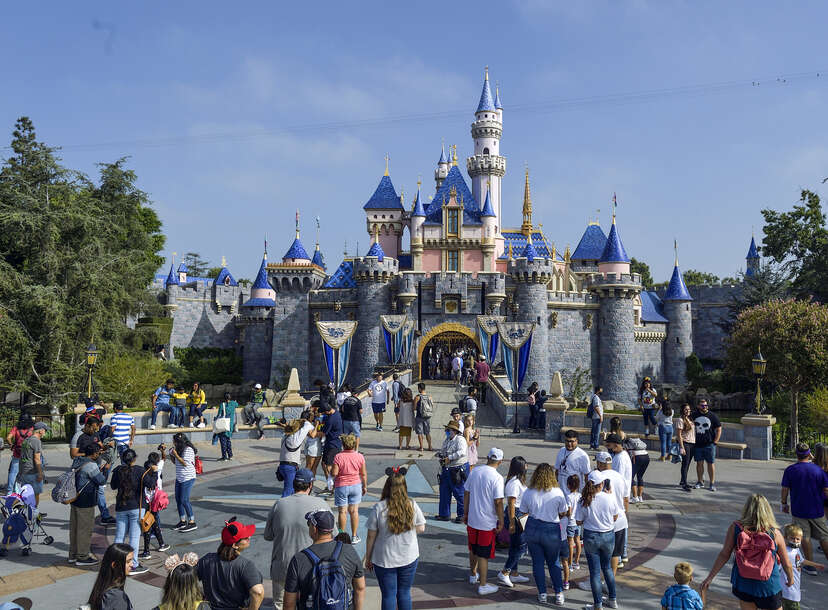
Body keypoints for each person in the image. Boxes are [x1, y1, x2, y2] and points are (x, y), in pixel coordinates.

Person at [700, 494, 793, 610]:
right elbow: (786, 563)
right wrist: (791, 579)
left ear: (747, 509)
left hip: (743, 583)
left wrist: (710, 577)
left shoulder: (735, 528)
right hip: (768, 586)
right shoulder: (775, 534)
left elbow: (724, 554)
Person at [264, 468, 328, 610]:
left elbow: (268, 536)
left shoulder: (279, 504)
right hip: (311, 569)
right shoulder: (321, 504)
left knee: (281, 605)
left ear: (293, 484)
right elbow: (331, 536)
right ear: (310, 485)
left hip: (282, 566)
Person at [365, 467, 426, 610]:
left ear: (387, 487)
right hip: (408, 556)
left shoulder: (379, 508)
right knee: (404, 593)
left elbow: (371, 536)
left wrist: (368, 558)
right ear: (404, 487)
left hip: (384, 559)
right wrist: (408, 531)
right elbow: (421, 527)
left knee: (388, 595)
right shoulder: (412, 504)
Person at [283, 510, 366, 610]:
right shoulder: (349, 550)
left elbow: (289, 603)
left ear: (314, 528)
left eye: (309, 524)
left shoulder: (299, 559)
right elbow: (360, 588)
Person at [520, 463, 569, 605]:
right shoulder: (557, 492)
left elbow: (523, 512)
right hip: (551, 527)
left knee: (538, 563)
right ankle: (559, 592)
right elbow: (563, 512)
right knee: (554, 562)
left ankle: (542, 593)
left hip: (533, 526)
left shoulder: (529, 492)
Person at [575, 470, 621, 610]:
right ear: (601, 484)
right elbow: (615, 517)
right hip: (608, 535)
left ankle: (598, 605)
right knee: (607, 568)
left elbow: (578, 521)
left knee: (594, 572)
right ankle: (613, 600)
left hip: (591, 536)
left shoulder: (584, 500)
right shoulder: (609, 498)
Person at [463, 447, 505, 596]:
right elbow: (498, 502)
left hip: (473, 519)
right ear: (500, 461)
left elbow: (466, 492)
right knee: (483, 554)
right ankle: (483, 585)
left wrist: (465, 512)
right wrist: (501, 520)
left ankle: (473, 575)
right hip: (487, 522)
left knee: (473, 549)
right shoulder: (497, 478)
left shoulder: (475, 471)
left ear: (487, 458)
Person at [196, 518, 264, 610]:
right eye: (245, 537)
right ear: (235, 545)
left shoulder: (206, 560)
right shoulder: (245, 565)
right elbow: (258, 592)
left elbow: (187, 578)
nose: (249, 537)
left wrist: (200, 594)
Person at [780, 442, 828, 572]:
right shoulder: (819, 470)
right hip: (817, 510)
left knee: (804, 537)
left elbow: (785, 489)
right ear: (809, 454)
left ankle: (810, 565)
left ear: (797, 454)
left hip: (799, 509)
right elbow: (826, 490)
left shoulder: (790, 470)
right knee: (824, 536)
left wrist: (784, 503)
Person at [110, 449, 151, 575]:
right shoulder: (140, 470)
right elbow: (151, 483)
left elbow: (113, 486)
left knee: (119, 536)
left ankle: (116, 562)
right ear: (135, 458)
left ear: (122, 458)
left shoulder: (117, 470)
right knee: (134, 537)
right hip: (137, 508)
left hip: (121, 507)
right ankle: (133, 564)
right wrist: (153, 471)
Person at [69, 443, 107, 566]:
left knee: (74, 528)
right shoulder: (91, 465)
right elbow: (101, 481)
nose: (99, 454)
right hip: (86, 500)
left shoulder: (77, 460)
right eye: (99, 453)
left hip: (75, 498)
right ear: (94, 453)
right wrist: (105, 470)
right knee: (85, 529)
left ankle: (73, 555)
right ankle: (82, 556)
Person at [595, 452, 630, 577]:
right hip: (620, 519)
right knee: (615, 554)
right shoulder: (620, 477)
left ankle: (598, 578)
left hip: (603, 520)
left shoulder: (598, 477)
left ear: (600, 463)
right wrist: (625, 514)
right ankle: (611, 579)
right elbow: (626, 499)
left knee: (600, 553)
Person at [498, 456, 529, 588]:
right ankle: (505, 571)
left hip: (519, 514)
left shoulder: (517, 481)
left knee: (515, 545)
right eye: (525, 465)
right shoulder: (514, 483)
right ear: (520, 467)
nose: (527, 467)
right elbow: (511, 502)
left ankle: (514, 573)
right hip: (516, 515)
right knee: (521, 547)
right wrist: (511, 522)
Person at [780, 523, 825, 610]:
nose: (795, 541)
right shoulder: (785, 552)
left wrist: (816, 565)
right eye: (792, 538)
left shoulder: (796, 550)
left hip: (795, 588)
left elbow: (801, 560)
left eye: (798, 539)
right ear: (786, 537)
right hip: (788, 590)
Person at [332, 434, 367, 543]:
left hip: (341, 485)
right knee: (354, 511)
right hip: (356, 485)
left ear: (343, 444)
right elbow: (363, 474)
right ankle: (354, 536)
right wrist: (364, 486)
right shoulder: (360, 456)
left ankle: (342, 536)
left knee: (342, 512)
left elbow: (334, 473)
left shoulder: (338, 456)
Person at [605, 433, 632, 567]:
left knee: (619, 526)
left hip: (619, 494)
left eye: (608, 445)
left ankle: (620, 556)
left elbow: (618, 477)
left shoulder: (620, 458)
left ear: (616, 445)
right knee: (623, 525)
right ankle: (623, 553)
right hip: (621, 493)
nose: (607, 447)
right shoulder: (621, 455)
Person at [277, 414, 317, 497]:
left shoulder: (285, 436)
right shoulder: (294, 440)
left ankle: (289, 507)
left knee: (291, 490)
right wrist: (305, 421)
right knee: (288, 491)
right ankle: (283, 507)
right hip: (290, 468)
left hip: (283, 466)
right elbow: (307, 427)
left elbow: (290, 428)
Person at [436, 420, 468, 523]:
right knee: (444, 491)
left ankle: (462, 515)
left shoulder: (460, 440)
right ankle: (444, 514)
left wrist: (450, 457)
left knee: (459, 493)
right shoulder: (447, 440)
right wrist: (441, 454)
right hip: (446, 469)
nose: (446, 431)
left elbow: (462, 452)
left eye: (448, 430)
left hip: (457, 469)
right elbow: (443, 450)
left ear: (454, 431)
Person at [140, 450, 170, 559]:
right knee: (154, 523)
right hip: (156, 502)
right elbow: (163, 460)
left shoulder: (146, 475)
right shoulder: (158, 469)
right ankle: (161, 544)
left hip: (148, 503)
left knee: (147, 525)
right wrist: (162, 451)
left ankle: (147, 551)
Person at [87, 543, 134, 610]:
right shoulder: (115, 596)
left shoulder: (102, 585)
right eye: (128, 561)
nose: (132, 564)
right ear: (114, 565)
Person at [692, 398, 721, 491]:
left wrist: (716, 440)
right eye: (702, 405)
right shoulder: (694, 415)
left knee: (710, 464)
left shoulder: (712, 416)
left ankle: (712, 483)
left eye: (706, 405)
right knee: (699, 464)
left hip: (709, 444)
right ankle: (700, 481)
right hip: (698, 444)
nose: (704, 407)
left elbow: (719, 428)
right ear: (698, 406)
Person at [171, 432, 198, 532]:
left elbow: (185, 463)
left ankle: (192, 522)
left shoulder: (188, 449)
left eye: (175, 441)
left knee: (184, 500)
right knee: (178, 499)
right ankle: (182, 521)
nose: (174, 443)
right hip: (180, 478)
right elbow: (175, 462)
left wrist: (176, 455)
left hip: (188, 477)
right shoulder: (179, 449)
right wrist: (171, 455)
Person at [16, 422, 47, 506]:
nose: (45, 432)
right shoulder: (36, 441)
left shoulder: (26, 440)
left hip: (24, 471)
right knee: (35, 494)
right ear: (41, 431)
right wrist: (40, 473)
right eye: (45, 430)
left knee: (24, 493)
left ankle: (10, 506)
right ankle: (34, 513)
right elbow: (37, 459)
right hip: (32, 472)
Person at [562, 474, 583, 587]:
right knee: (578, 541)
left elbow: (569, 511)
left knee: (570, 543)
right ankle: (577, 562)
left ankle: (569, 564)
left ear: (569, 485)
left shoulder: (568, 496)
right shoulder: (580, 495)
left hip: (570, 522)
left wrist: (564, 514)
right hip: (578, 521)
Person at [319, 402, 343, 494]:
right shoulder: (336, 413)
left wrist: (312, 432)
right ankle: (330, 485)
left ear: (327, 412)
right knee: (324, 464)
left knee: (329, 466)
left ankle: (333, 487)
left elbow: (324, 432)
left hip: (333, 445)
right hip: (331, 443)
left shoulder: (331, 419)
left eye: (324, 413)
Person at [5, 416, 33, 493]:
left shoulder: (16, 428)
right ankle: (22, 490)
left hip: (17, 453)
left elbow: (8, 438)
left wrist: (11, 445)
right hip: (28, 454)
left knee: (13, 473)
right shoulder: (31, 429)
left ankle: (9, 491)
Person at [675, 403, 695, 492]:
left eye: (689, 409)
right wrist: (682, 447)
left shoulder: (690, 419)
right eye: (686, 409)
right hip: (685, 443)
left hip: (692, 444)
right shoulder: (680, 420)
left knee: (688, 464)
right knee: (685, 464)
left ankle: (683, 480)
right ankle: (684, 483)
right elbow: (679, 435)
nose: (688, 411)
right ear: (682, 410)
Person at [625, 434, 650, 504]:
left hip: (637, 457)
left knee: (631, 477)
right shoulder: (638, 441)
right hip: (646, 456)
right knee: (640, 476)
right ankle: (640, 497)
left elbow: (626, 453)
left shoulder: (626, 442)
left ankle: (635, 497)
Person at [214, 392, 237, 461]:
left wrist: (215, 419)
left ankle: (224, 457)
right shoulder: (233, 403)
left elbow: (219, 415)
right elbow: (237, 405)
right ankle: (230, 455)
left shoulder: (222, 404)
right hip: (230, 425)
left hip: (224, 425)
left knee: (223, 441)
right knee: (228, 440)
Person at [413, 382, 434, 452]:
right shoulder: (430, 397)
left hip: (419, 416)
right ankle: (430, 446)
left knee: (420, 432)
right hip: (427, 417)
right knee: (427, 432)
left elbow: (414, 408)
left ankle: (421, 447)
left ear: (419, 388)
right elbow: (431, 406)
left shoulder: (417, 397)